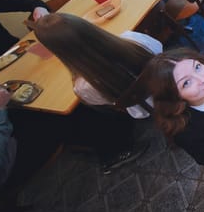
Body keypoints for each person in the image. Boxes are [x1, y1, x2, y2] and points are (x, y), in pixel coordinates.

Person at [34, 13, 159, 173]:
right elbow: (158, 49)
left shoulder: (83, 86)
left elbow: (110, 105)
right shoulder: (133, 38)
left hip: (142, 108)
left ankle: (116, 149)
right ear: (87, 26)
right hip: (166, 84)